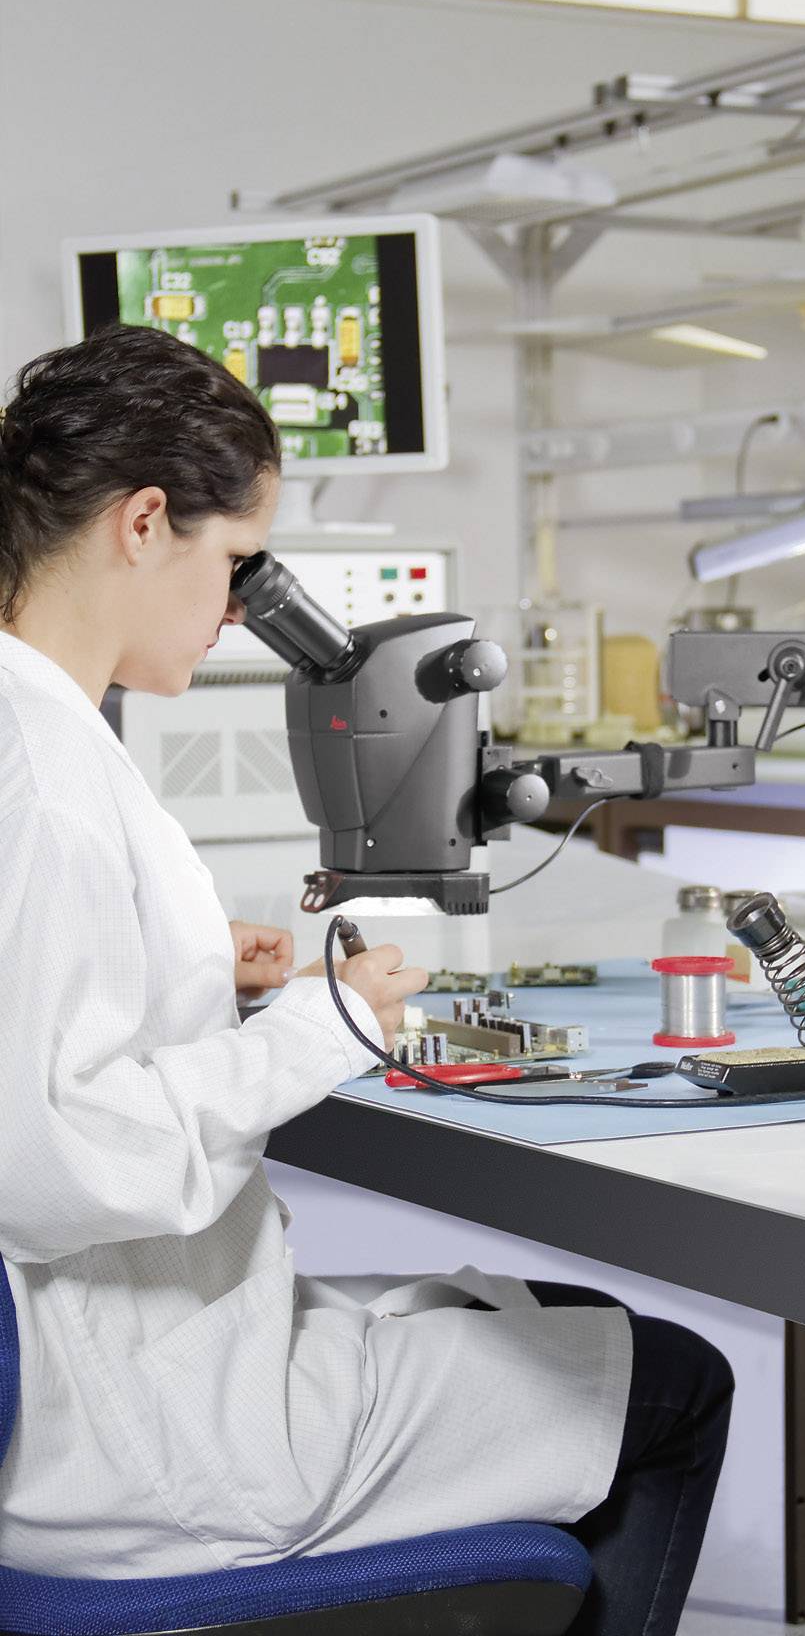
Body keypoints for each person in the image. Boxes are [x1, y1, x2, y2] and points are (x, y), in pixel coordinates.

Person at [0, 324, 731, 1634]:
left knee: (548, 1315)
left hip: (119, 1365)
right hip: (141, 1435)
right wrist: (318, 1028)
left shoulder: (38, 736)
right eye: (232, 564)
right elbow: (43, 1159)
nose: (236, 610)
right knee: (669, 1379)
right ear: (145, 521)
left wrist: (201, 986)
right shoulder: (47, 782)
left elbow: (47, 1025)